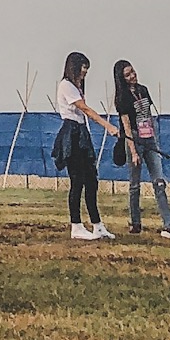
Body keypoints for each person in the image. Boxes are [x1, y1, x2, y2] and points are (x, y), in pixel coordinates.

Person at [113, 59, 170, 241]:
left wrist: (154, 141)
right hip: (134, 138)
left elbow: (149, 116)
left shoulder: (143, 90)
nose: (132, 76)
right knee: (135, 184)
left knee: (159, 182)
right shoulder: (121, 97)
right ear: (121, 78)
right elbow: (126, 125)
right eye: (127, 75)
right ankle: (135, 222)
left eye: (133, 72)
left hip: (149, 137)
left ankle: (169, 225)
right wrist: (134, 151)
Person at [54, 51, 116, 241]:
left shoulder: (76, 87)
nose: (85, 74)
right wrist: (108, 125)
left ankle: (97, 225)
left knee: (91, 181)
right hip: (71, 133)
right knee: (77, 181)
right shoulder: (66, 86)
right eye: (83, 69)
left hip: (81, 132)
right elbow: (85, 109)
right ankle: (76, 226)